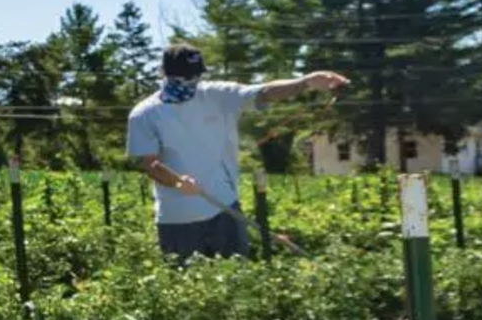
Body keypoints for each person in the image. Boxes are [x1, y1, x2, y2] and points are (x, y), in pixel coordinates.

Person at [124, 43, 346, 260]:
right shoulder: (145, 113)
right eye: (182, 76)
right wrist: (178, 182)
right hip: (177, 217)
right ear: (165, 73)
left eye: (194, 75)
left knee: (238, 283)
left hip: (226, 209)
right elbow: (149, 164)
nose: (189, 81)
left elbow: (265, 92)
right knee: (185, 285)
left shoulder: (217, 95)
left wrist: (306, 82)